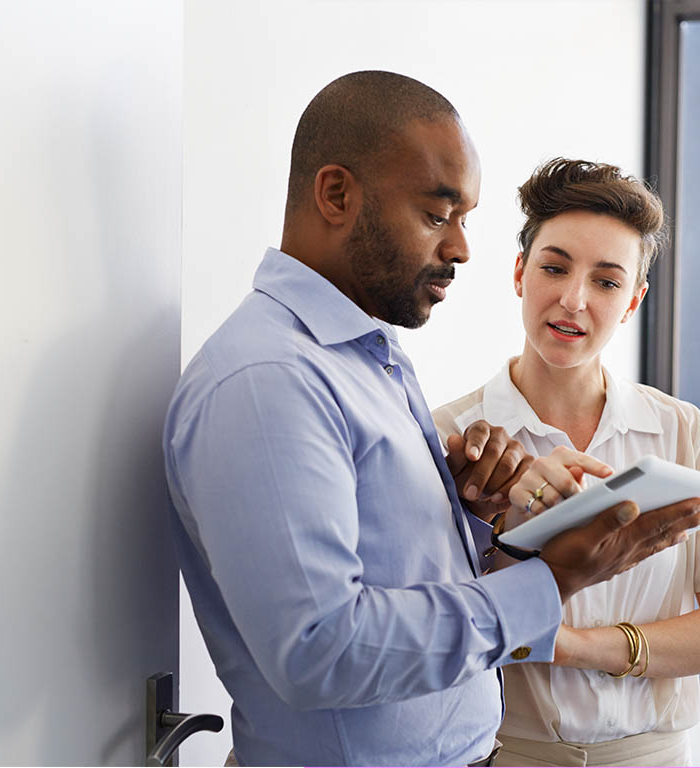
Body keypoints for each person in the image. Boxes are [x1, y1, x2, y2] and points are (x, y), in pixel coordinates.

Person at [164, 72, 700, 767]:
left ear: (633, 300)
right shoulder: (269, 381)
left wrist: (478, 524)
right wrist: (550, 584)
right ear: (336, 195)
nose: (460, 249)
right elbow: (318, 649)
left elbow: (398, 580)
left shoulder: (373, 359)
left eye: (465, 220)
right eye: (436, 214)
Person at [434, 157, 700, 767]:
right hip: (502, 757)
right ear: (521, 273)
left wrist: (574, 645)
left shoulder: (684, 433)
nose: (573, 299)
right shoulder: (449, 438)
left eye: (606, 282)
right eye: (554, 267)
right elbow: (426, 627)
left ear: (633, 300)